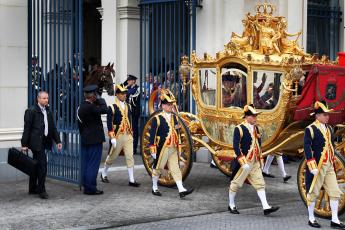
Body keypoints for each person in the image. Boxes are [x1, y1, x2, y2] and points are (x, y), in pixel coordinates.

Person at [228, 104, 279, 215]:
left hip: (255, 161)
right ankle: (231, 204)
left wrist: (260, 159)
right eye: (253, 116)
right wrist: (242, 161)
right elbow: (236, 146)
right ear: (247, 116)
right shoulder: (239, 128)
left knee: (260, 183)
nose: (255, 118)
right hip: (244, 162)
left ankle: (266, 207)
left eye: (256, 116)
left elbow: (258, 144)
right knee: (236, 183)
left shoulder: (256, 128)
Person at [304, 101, 344, 229]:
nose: (327, 116)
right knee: (313, 192)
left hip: (329, 165)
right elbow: (307, 147)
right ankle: (311, 218)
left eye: (327, 114)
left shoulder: (330, 128)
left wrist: (332, 161)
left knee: (334, 192)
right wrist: (312, 165)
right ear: (317, 116)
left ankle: (335, 220)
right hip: (318, 165)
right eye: (325, 114)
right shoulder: (310, 129)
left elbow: (331, 145)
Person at [149, 89, 194, 198]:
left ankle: (181, 189)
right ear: (163, 106)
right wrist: (153, 149)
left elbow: (177, 131)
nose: (171, 107)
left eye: (171, 105)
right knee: (158, 167)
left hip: (173, 146)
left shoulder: (174, 117)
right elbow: (152, 136)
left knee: (175, 168)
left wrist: (179, 146)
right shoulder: (157, 118)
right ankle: (154, 186)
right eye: (168, 105)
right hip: (162, 147)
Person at [21, 91, 62, 199]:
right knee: (42, 166)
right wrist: (24, 144)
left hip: (45, 141)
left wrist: (58, 141)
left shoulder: (48, 111)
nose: (46, 100)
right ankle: (41, 190)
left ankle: (32, 188)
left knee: (35, 165)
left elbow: (52, 128)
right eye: (43, 98)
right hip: (36, 143)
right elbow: (27, 129)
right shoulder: (31, 111)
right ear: (38, 99)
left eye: (47, 98)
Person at [101, 84, 140, 187]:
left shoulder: (128, 106)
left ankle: (131, 179)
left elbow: (130, 120)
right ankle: (104, 173)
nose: (124, 95)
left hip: (128, 135)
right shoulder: (112, 107)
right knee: (112, 156)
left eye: (125, 93)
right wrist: (112, 137)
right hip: (117, 136)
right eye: (122, 93)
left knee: (130, 157)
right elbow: (109, 124)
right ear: (117, 94)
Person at [77, 85, 108, 195]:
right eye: (95, 94)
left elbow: (80, 125)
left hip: (86, 138)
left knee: (87, 164)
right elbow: (105, 110)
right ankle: (90, 188)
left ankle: (87, 185)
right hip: (94, 140)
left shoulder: (81, 106)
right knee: (93, 165)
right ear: (92, 96)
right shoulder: (90, 107)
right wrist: (101, 99)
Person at [123, 75, 140, 155]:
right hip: (127, 112)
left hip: (133, 112)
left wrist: (126, 92)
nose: (128, 82)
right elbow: (120, 92)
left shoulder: (137, 88)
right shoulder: (127, 88)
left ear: (133, 81)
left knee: (134, 130)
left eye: (129, 80)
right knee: (127, 130)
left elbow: (131, 96)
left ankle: (134, 148)